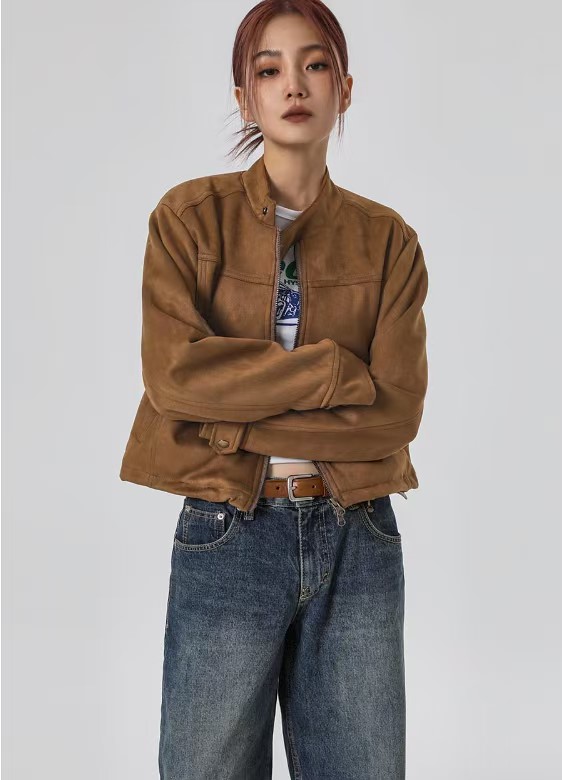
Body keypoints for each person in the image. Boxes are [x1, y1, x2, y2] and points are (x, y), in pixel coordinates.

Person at [119, 1, 429, 777]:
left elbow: (394, 415)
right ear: (245, 98)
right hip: (228, 529)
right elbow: (173, 376)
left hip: (358, 534)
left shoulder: (388, 242)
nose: (294, 84)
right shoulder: (188, 221)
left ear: (345, 88)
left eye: (315, 64)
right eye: (269, 69)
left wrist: (227, 419)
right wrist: (331, 372)